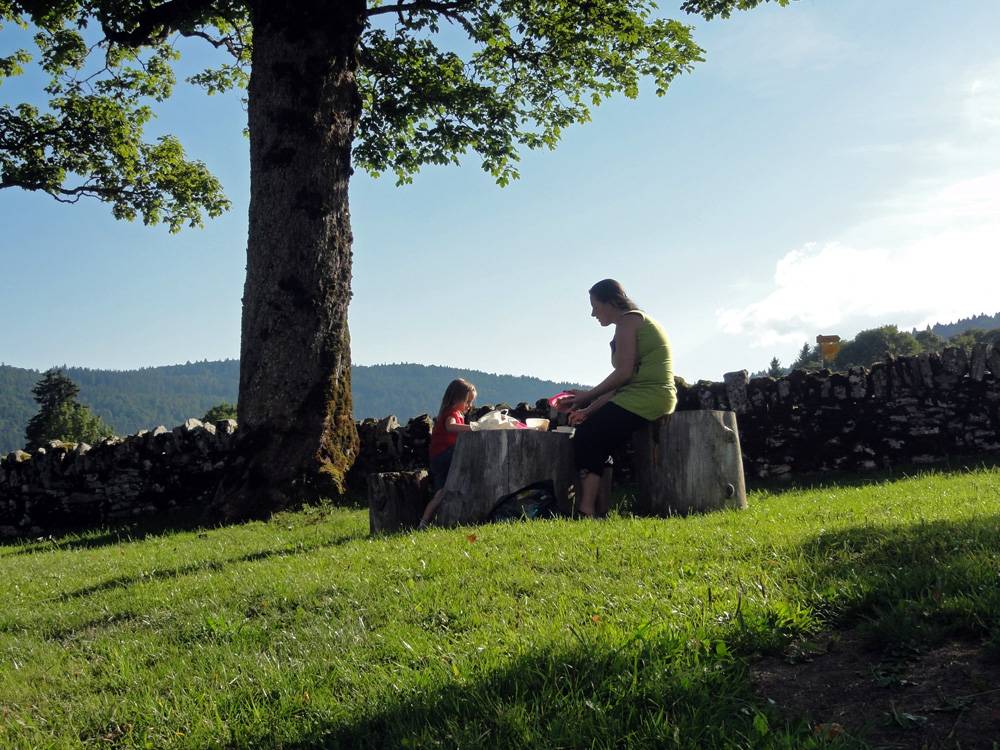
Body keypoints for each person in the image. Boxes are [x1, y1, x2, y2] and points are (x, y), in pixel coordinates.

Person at [561, 279, 676, 518]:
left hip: (651, 396)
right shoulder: (629, 323)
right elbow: (622, 384)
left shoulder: (629, 321)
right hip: (639, 395)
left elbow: (623, 373)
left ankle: (587, 509)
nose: (593, 313)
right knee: (591, 430)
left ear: (611, 302)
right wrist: (588, 409)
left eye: (595, 306)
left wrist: (585, 397)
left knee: (589, 433)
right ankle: (598, 508)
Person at [419, 378, 477, 528]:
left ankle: (425, 521)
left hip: (438, 457)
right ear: (457, 399)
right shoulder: (451, 413)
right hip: (444, 455)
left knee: (442, 492)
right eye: (467, 402)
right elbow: (451, 427)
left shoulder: (452, 412)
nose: (469, 406)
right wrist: (472, 428)